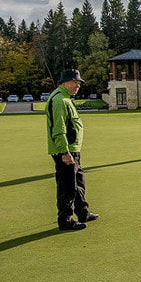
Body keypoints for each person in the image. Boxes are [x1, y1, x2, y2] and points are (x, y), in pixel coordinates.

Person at [45, 68, 98, 231]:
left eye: (79, 83)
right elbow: (59, 129)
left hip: (72, 149)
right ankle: (65, 219)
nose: (78, 85)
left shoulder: (65, 98)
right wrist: (64, 152)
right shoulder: (60, 100)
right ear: (64, 83)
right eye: (74, 82)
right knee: (67, 186)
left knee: (78, 181)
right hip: (66, 150)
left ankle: (83, 211)